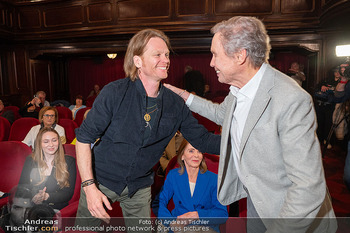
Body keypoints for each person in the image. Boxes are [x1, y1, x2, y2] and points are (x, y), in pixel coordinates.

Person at [164, 16, 336, 233]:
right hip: (258, 205)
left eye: (215, 54)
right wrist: (184, 95)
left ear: (240, 56)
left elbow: (308, 188)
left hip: (292, 218)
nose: (211, 63)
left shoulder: (291, 99)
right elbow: (220, 113)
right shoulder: (238, 90)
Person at [74, 28, 220, 232]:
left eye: (167, 54)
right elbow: (84, 139)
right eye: (158, 54)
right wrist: (89, 187)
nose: (166, 60)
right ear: (138, 61)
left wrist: (241, 143)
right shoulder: (114, 93)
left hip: (139, 187)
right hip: (101, 180)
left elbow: (203, 140)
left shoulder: (175, 104)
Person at [157, 139, 228, 233]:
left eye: (199, 151)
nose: (196, 155)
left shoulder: (213, 179)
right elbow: (160, 203)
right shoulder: (173, 176)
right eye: (191, 151)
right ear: (182, 155)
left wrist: (197, 215)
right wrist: (171, 223)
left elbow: (222, 214)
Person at [18, 127, 76, 210]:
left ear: (59, 142)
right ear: (39, 144)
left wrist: (47, 196)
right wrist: (33, 196)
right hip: (31, 205)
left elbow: (67, 193)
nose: (51, 144)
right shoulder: (31, 160)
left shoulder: (69, 161)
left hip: (55, 207)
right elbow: (22, 186)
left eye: (54, 140)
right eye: (46, 141)